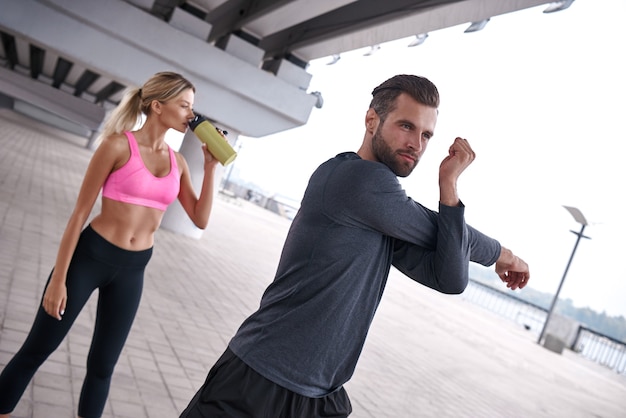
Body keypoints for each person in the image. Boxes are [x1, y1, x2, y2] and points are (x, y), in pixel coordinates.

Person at [180, 74, 530, 418]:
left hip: (320, 395)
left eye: (426, 134)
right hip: (259, 380)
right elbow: (443, 233)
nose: (417, 144)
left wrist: (452, 193)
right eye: (406, 126)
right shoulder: (359, 180)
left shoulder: (382, 210)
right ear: (371, 120)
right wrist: (497, 246)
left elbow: (450, 278)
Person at [0, 71, 219, 418]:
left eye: (193, 107)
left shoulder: (178, 163)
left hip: (133, 270)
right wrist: (58, 280)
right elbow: (79, 215)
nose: (192, 114)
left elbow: (200, 219)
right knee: (38, 349)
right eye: (184, 105)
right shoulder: (118, 146)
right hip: (90, 258)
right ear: (158, 106)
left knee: (102, 366)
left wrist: (210, 168)